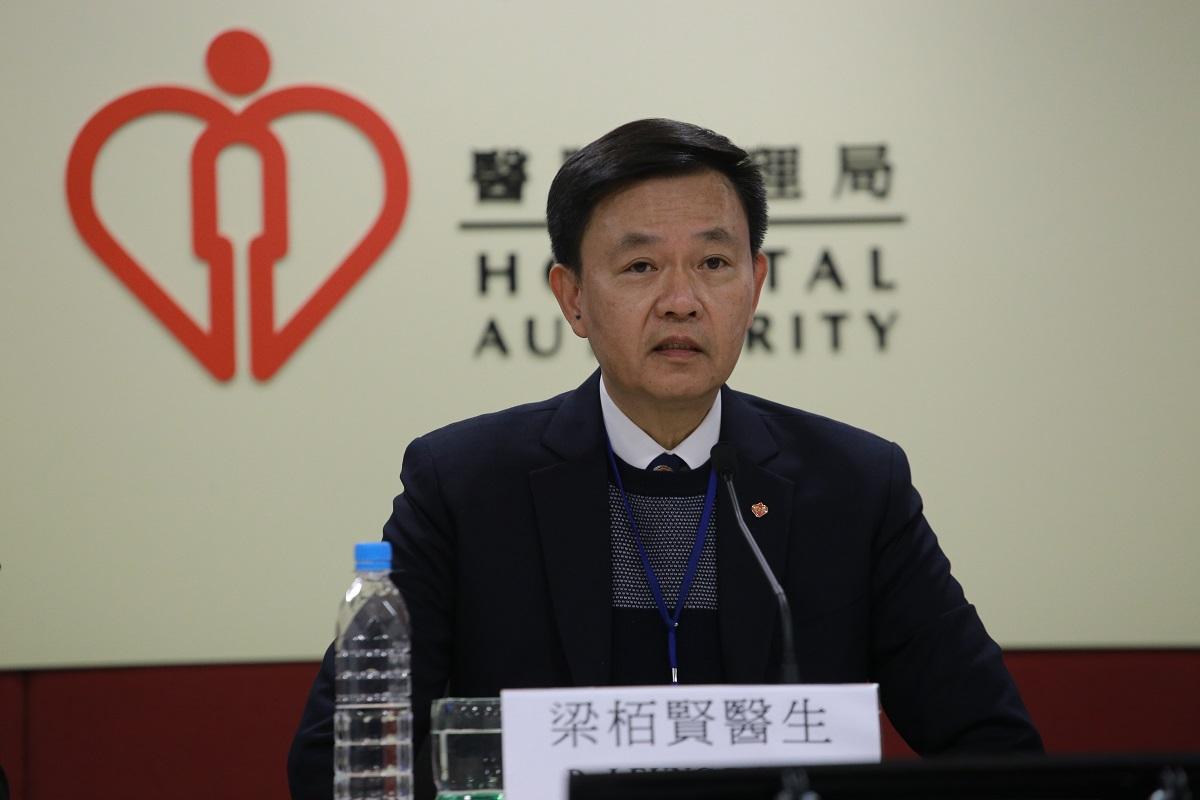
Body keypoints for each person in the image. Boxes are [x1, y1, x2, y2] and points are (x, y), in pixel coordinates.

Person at [288, 118, 1042, 799]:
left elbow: (994, 748)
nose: (682, 300)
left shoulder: (854, 487)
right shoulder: (464, 486)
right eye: (641, 267)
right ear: (572, 298)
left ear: (756, 285)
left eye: (713, 262)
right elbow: (340, 762)